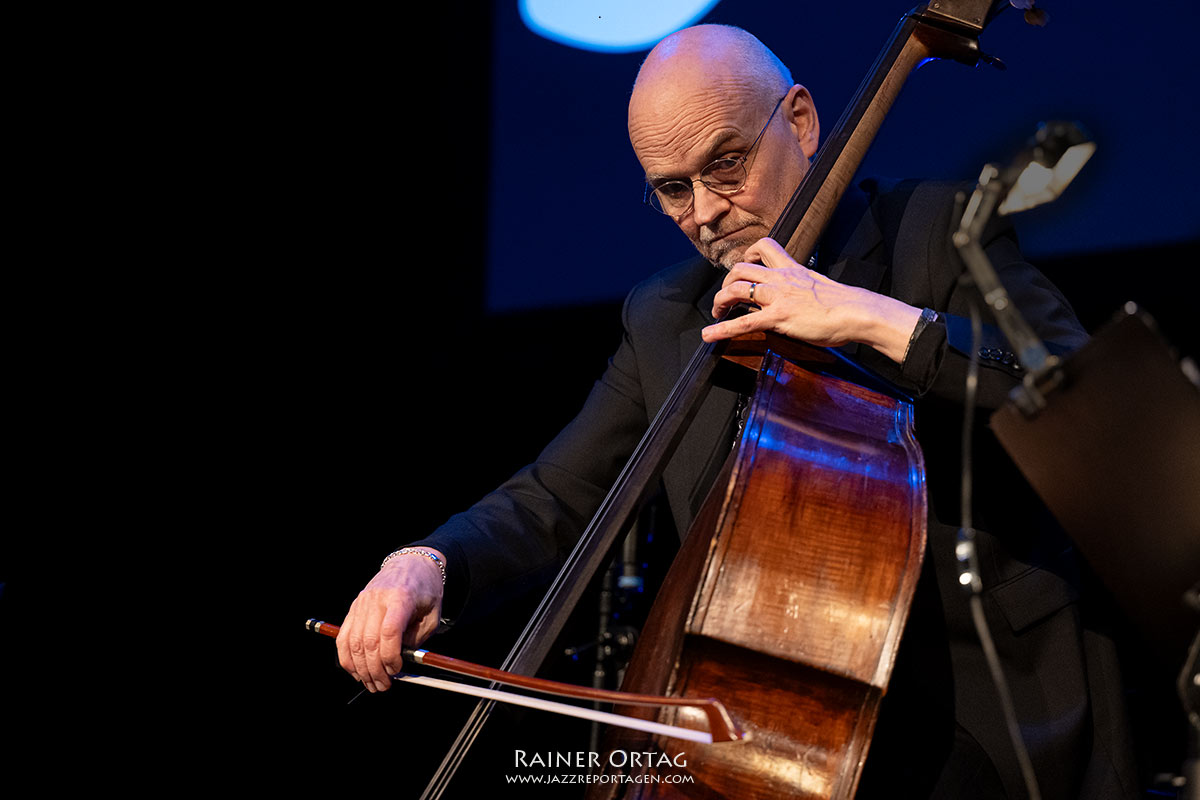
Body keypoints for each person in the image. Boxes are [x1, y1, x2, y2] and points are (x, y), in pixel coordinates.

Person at [336, 24, 1137, 798]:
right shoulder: (667, 316)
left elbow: (1073, 388)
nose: (707, 212)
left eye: (725, 165)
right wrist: (428, 563)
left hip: (995, 717)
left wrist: (863, 317)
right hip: (785, 739)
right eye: (672, 189)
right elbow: (556, 495)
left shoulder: (934, 232)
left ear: (800, 120)